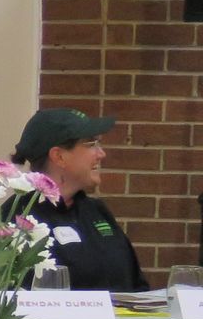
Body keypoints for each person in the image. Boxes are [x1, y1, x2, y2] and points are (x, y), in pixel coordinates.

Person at [12, 107, 147, 292]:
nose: (101, 154)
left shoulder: (96, 211)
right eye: (91, 144)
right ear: (59, 156)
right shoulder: (18, 218)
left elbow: (137, 285)